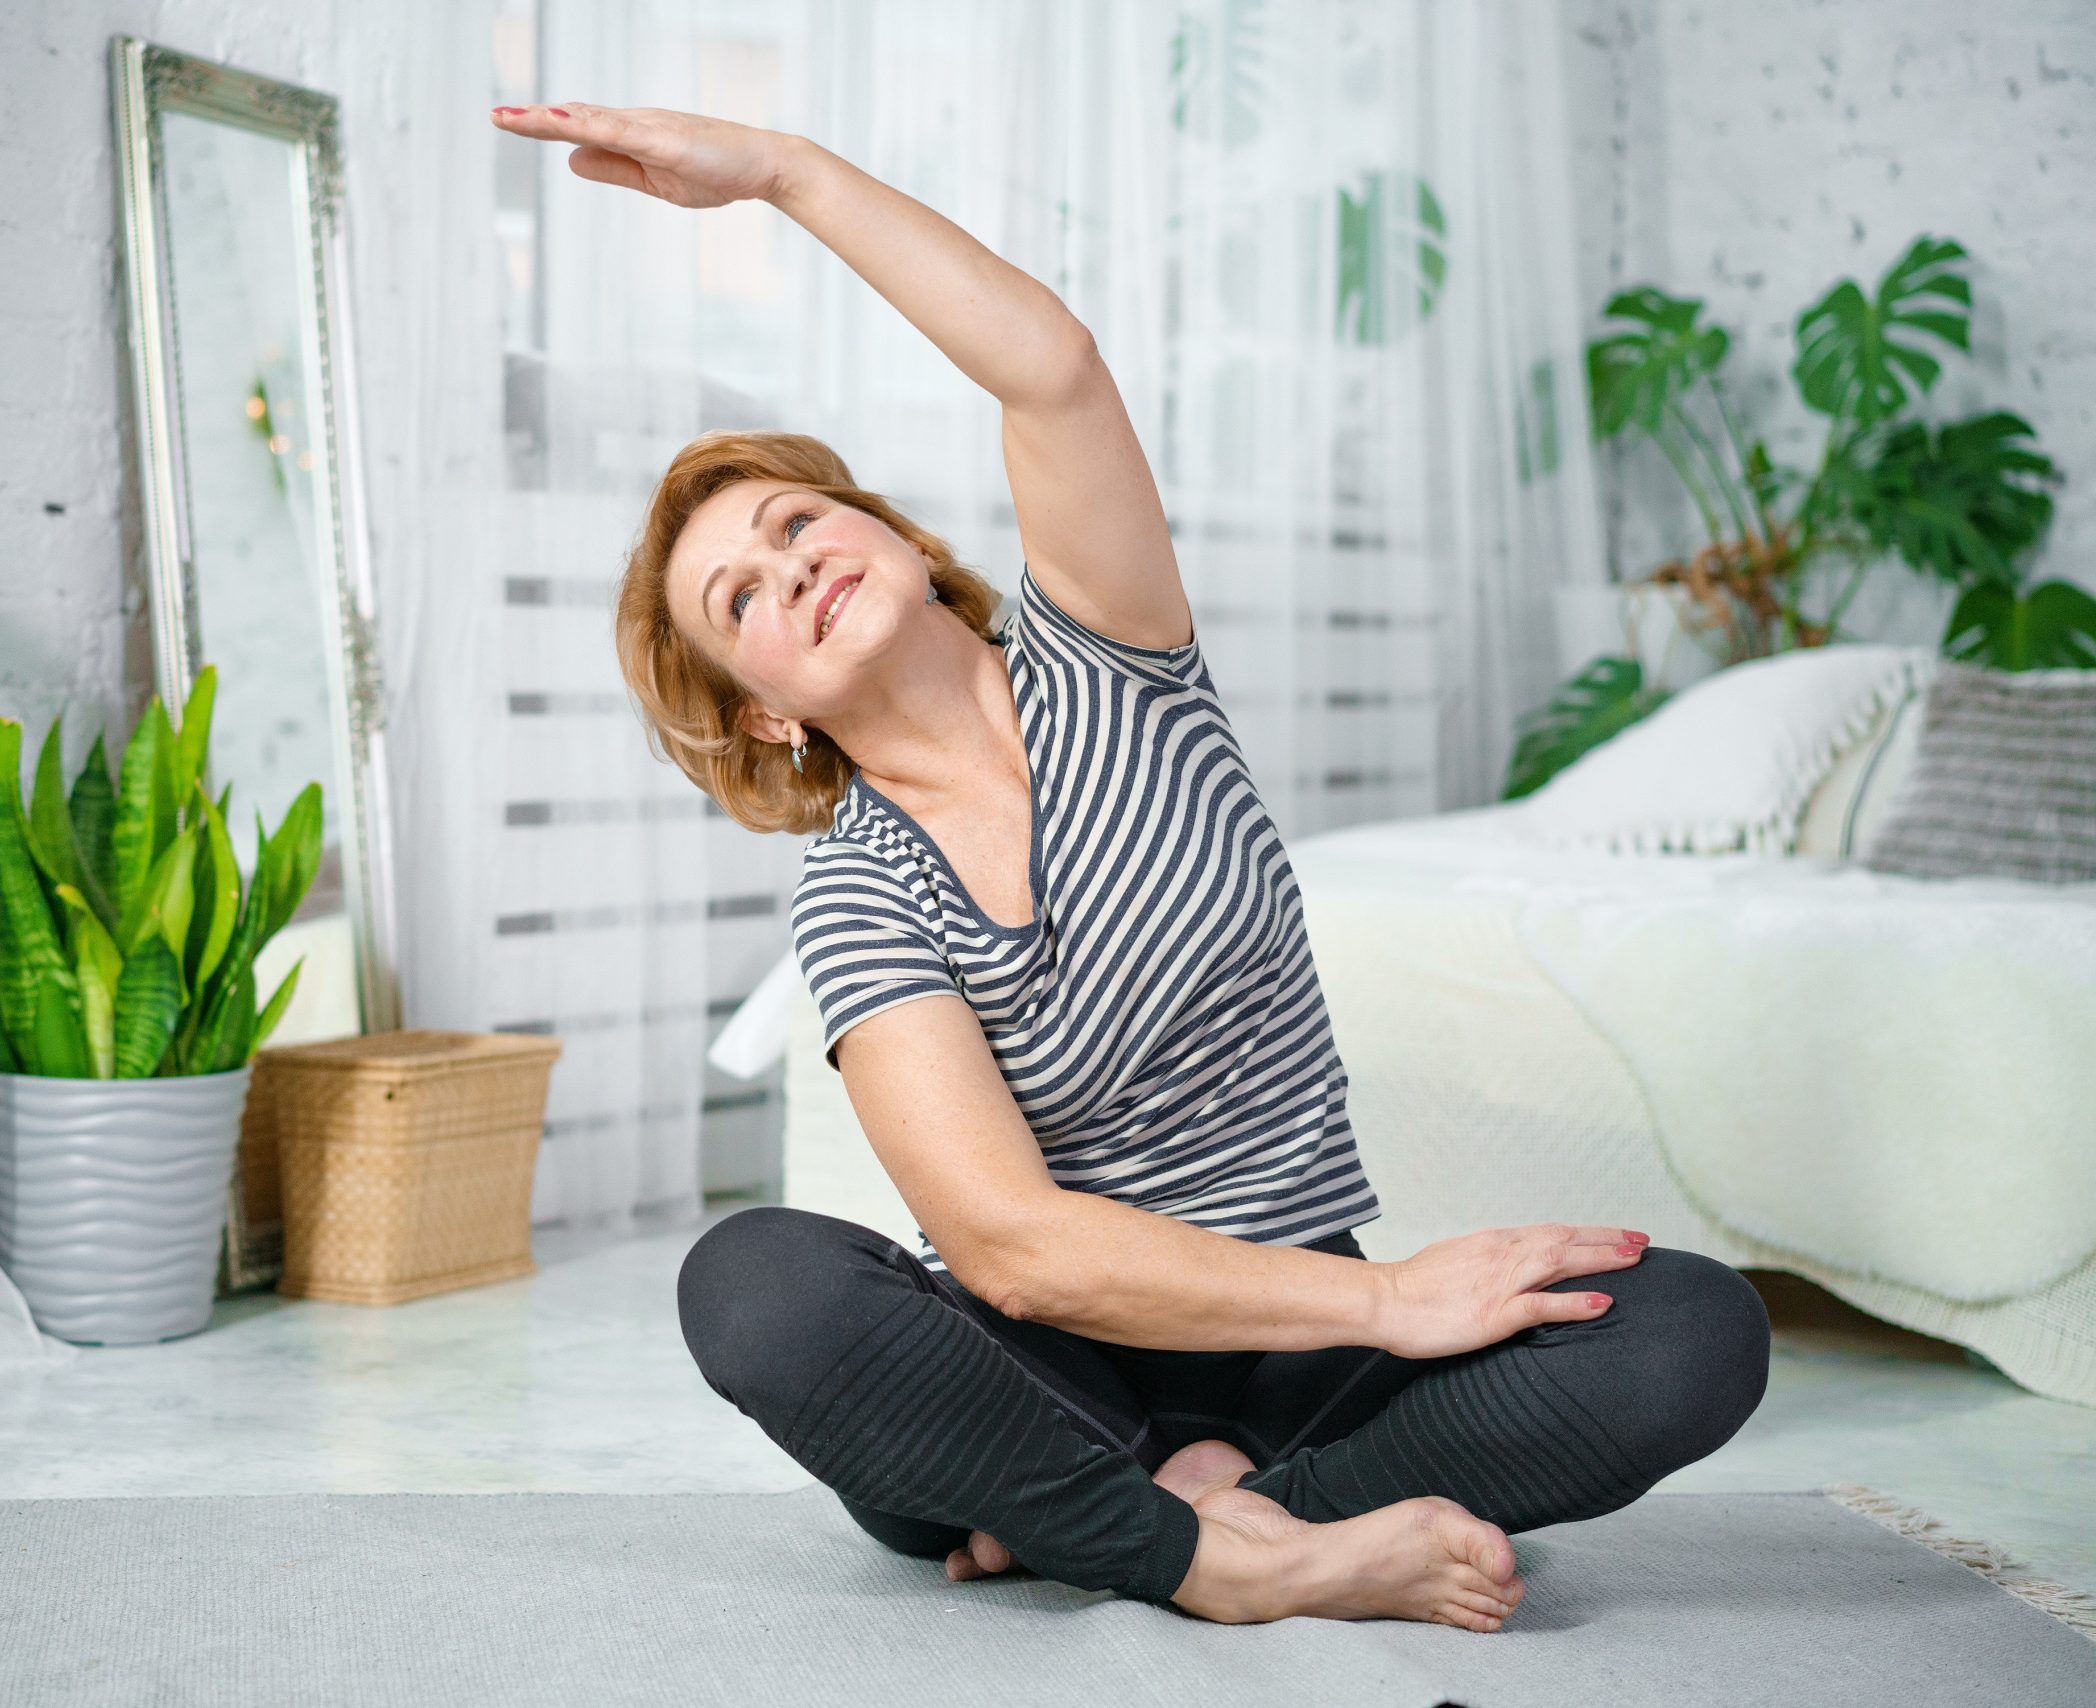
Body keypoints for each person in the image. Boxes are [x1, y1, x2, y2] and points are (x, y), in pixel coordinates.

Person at [490, 100, 1771, 1632]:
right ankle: (1231, 1555)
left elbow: (1052, 369)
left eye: (797, 520)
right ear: (766, 708)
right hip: (1041, 1372)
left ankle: (1192, 1526)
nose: (792, 564)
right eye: (742, 595)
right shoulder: (859, 892)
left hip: (1303, 1355)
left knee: (1693, 1331)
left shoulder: (1114, 659)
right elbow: (1011, 1253)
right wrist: (1397, 1295)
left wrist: (780, 173)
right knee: (752, 1283)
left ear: (889, 536)